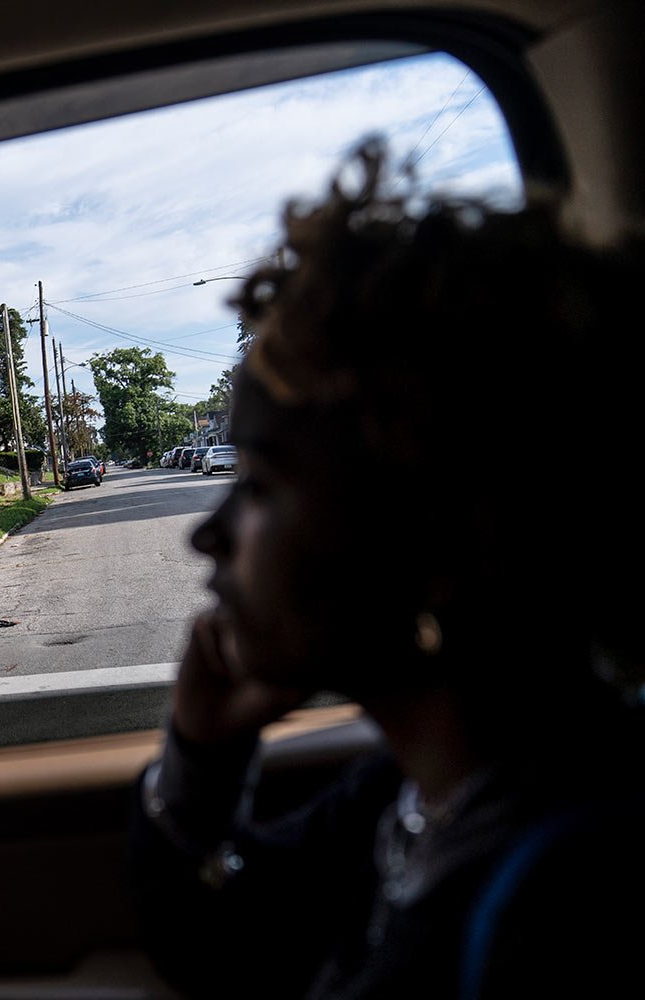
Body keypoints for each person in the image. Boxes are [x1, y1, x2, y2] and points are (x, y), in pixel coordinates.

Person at [130, 140, 644, 999]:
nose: (207, 537)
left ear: (439, 527)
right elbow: (221, 950)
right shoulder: (419, 785)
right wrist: (202, 753)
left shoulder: (575, 910)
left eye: (259, 483)